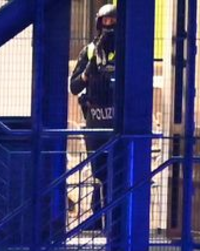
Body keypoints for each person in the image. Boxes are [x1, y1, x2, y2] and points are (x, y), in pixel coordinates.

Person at [69, 4, 119, 226]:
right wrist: (89, 71)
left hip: (117, 124)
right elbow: (74, 87)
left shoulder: (127, 51)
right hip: (95, 123)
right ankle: (97, 217)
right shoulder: (89, 50)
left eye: (113, 21)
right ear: (98, 23)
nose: (109, 26)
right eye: (105, 22)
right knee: (99, 173)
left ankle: (115, 221)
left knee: (117, 174)